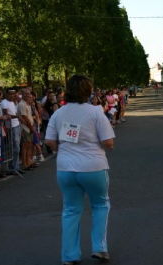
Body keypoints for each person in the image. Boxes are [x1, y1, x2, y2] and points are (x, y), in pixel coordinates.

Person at [45, 74, 115, 265]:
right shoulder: (95, 112)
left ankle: (70, 255)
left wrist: (62, 148)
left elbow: (50, 141)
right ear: (88, 90)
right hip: (93, 166)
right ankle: (99, 248)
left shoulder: (59, 113)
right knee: (100, 205)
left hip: (66, 169)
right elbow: (108, 141)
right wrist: (107, 146)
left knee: (71, 210)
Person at [1, 88, 25, 175]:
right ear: (6, 94)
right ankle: (12, 167)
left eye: (13, 94)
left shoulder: (13, 102)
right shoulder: (4, 102)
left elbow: (14, 112)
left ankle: (16, 166)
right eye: (10, 94)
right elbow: (6, 114)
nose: (12, 95)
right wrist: (18, 117)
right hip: (10, 127)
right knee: (14, 147)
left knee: (17, 147)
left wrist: (18, 119)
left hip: (16, 125)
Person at [17, 88, 36, 171]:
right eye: (26, 94)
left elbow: (29, 117)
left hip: (29, 127)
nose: (27, 95)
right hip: (25, 128)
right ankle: (25, 163)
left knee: (29, 145)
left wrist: (32, 125)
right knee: (25, 146)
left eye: (28, 94)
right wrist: (31, 127)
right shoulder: (22, 104)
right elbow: (24, 117)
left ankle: (29, 161)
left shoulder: (27, 104)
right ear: (22, 94)